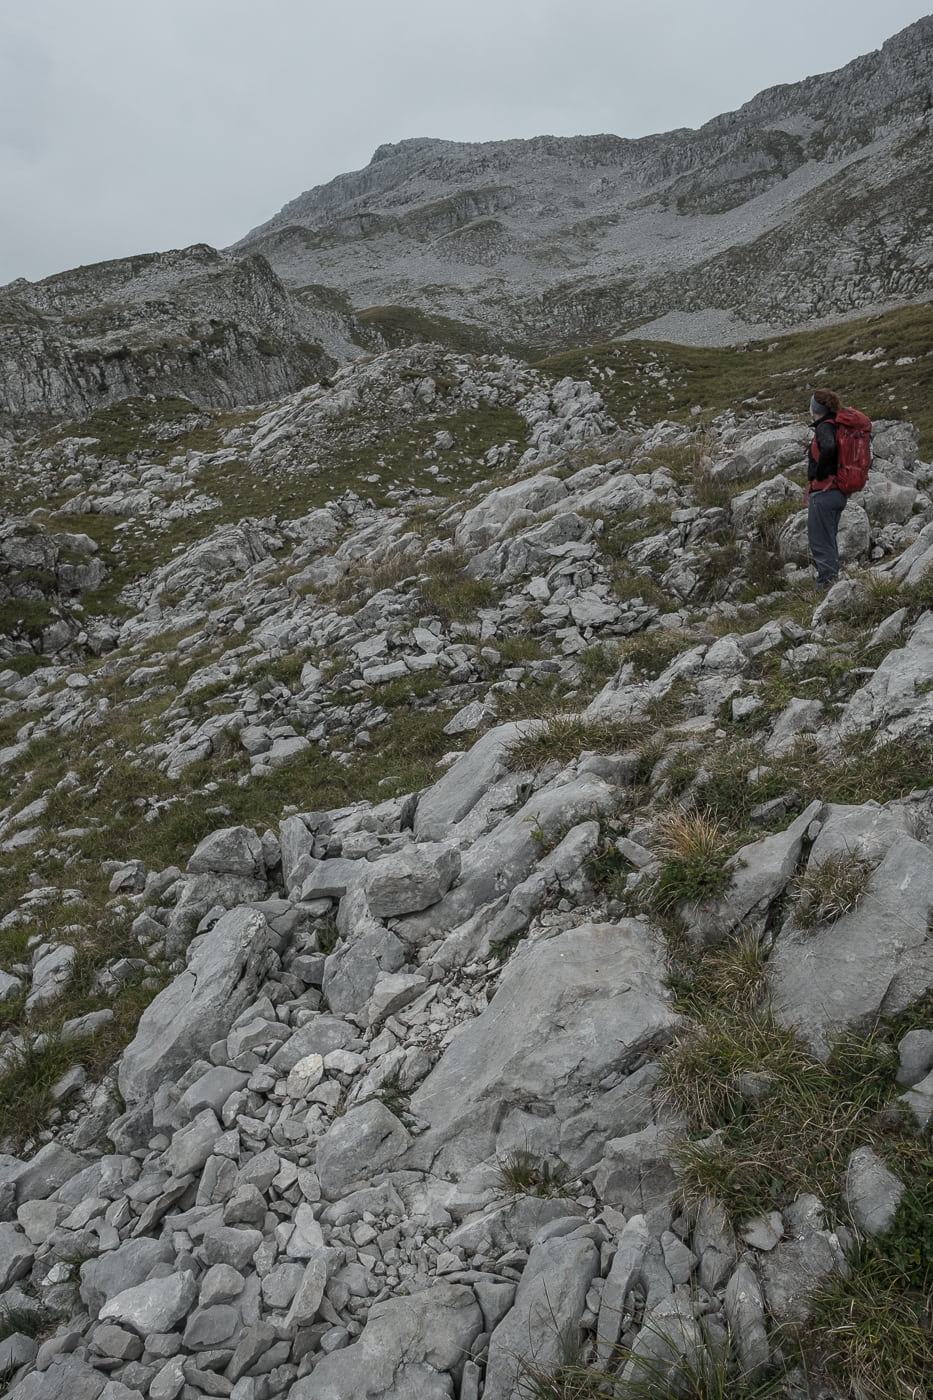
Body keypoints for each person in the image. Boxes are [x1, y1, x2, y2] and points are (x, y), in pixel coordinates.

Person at [806, 388, 846, 588]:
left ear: (815, 408)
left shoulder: (824, 427)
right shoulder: (836, 424)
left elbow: (829, 448)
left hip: (824, 493)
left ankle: (826, 587)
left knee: (820, 541)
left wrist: (820, 473)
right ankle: (831, 582)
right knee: (828, 539)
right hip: (837, 492)